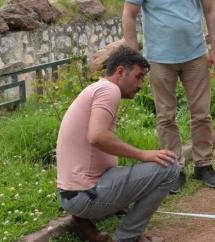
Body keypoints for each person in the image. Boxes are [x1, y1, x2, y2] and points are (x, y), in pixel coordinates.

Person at [123, 0, 215, 194]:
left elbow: (211, 9)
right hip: (159, 58)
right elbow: (129, 14)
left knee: (201, 114)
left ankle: (203, 164)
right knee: (165, 117)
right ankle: (174, 168)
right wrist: (133, 57)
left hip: (194, 55)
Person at [56, 45, 179, 242]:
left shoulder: (97, 88)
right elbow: (96, 136)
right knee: (170, 168)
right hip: (86, 194)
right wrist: (142, 154)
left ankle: (86, 221)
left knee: (152, 169)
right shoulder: (109, 90)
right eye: (138, 77)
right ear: (121, 72)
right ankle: (127, 238)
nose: (141, 85)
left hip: (75, 194)